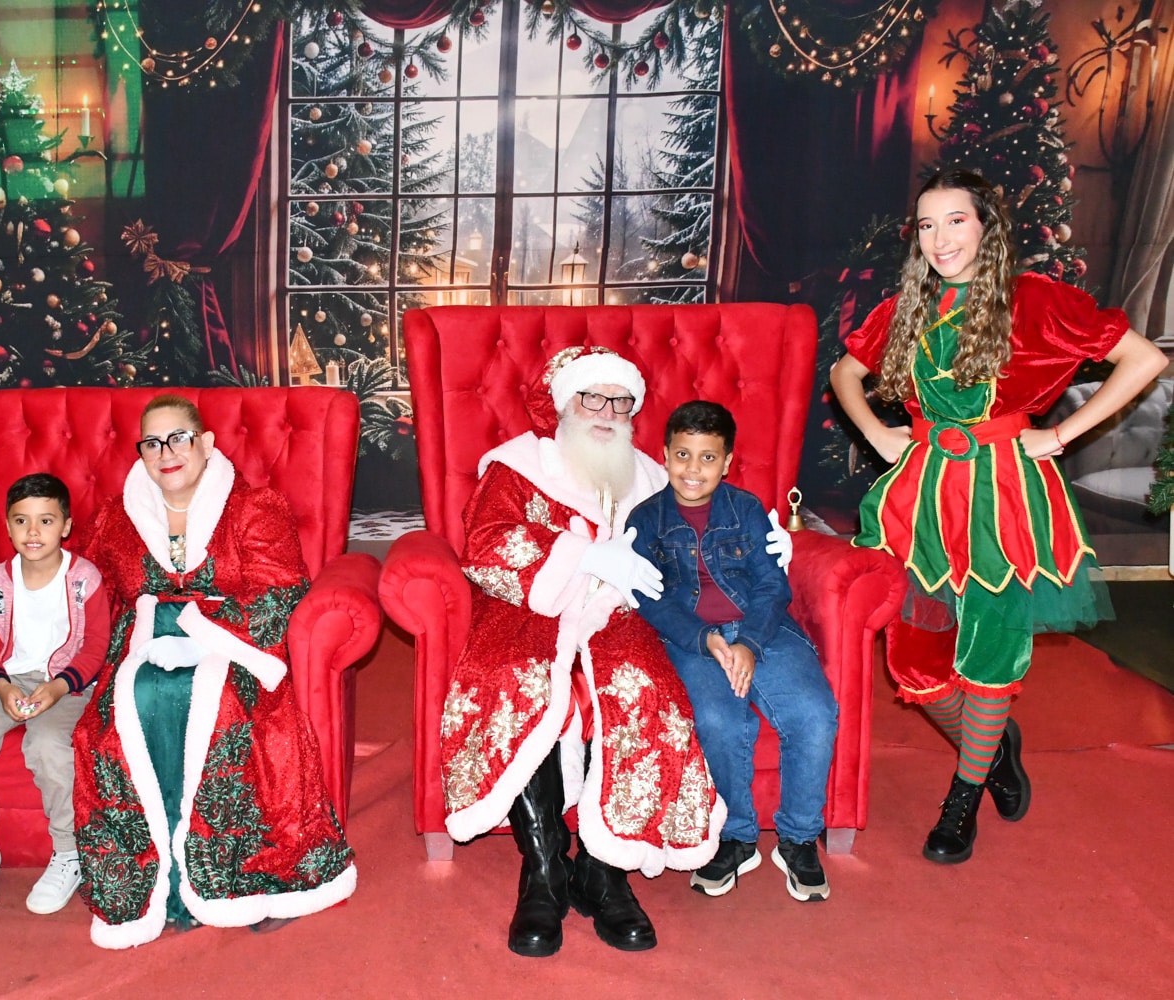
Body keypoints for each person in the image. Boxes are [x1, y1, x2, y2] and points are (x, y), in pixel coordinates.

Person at [831, 168, 1167, 864]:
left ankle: (962, 800)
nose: (940, 239)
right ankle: (991, 749)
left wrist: (1061, 435)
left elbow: (1142, 360)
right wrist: (876, 432)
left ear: (987, 227)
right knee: (915, 662)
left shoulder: (1034, 300)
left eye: (956, 220)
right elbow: (844, 372)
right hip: (919, 501)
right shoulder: (908, 307)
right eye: (927, 226)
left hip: (1004, 499)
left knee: (991, 651)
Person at [440, 346, 793, 958]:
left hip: (618, 613)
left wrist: (765, 545)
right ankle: (544, 872)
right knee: (519, 682)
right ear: (564, 403)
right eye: (592, 398)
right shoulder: (518, 465)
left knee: (642, 690)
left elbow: (705, 538)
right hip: (530, 610)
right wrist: (580, 556)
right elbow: (488, 542)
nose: (606, 411)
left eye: (620, 401)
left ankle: (603, 871)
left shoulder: (654, 477)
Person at [72, 394, 356, 949]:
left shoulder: (255, 508)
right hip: (144, 647)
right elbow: (87, 591)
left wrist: (200, 633)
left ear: (205, 443)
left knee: (219, 707)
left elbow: (282, 592)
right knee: (126, 713)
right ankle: (158, 889)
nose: (166, 454)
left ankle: (232, 882)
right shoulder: (116, 518)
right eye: (152, 444)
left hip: (235, 648)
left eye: (178, 438)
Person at [627, 401, 838, 903]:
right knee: (719, 721)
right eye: (682, 454)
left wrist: (749, 643)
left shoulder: (745, 509)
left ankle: (799, 837)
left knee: (815, 712)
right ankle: (738, 836)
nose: (692, 469)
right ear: (664, 455)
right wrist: (706, 639)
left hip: (763, 629)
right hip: (694, 639)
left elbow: (772, 586)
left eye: (707, 458)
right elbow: (647, 597)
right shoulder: (647, 519)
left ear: (726, 462)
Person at [0, 473, 109, 917]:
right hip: (6, 679)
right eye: (21, 521)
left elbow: (96, 645)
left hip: (66, 682)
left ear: (66, 526)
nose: (33, 532)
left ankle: (68, 853)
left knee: (49, 745)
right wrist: (2, 687)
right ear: (8, 526)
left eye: (46, 520)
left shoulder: (84, 579)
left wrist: (59, 687)